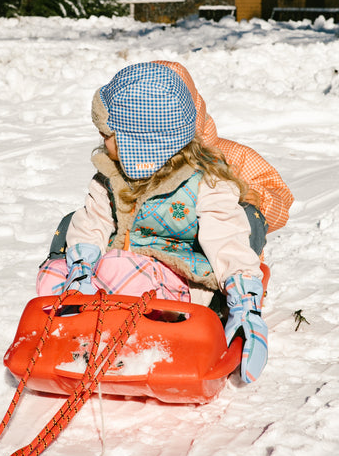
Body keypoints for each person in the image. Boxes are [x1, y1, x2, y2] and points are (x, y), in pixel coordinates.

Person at [37, 62, 293, 383]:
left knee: (116, 267)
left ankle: (124, 329)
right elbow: (93, 220)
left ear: (139, 143)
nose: (102, 141)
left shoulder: (206, 183)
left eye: (109, 134)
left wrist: (245, 303)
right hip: (130, 270)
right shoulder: (112, 175)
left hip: (185, 285)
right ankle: (81, 320)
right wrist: (80, 271)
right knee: (55, 270)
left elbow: (226, 240)